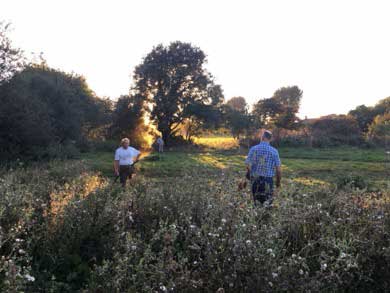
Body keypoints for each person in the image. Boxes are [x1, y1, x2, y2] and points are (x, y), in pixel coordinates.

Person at [245, 130, 282, 206]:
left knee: (257, 204)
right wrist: (278, 182)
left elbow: (247, 164)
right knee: (268, 204)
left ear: (262, 137)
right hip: (268, 180)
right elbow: (278, 170)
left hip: (255, 180)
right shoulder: (274, 151)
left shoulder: (253, 149)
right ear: (270, 139)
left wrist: (249, 174)